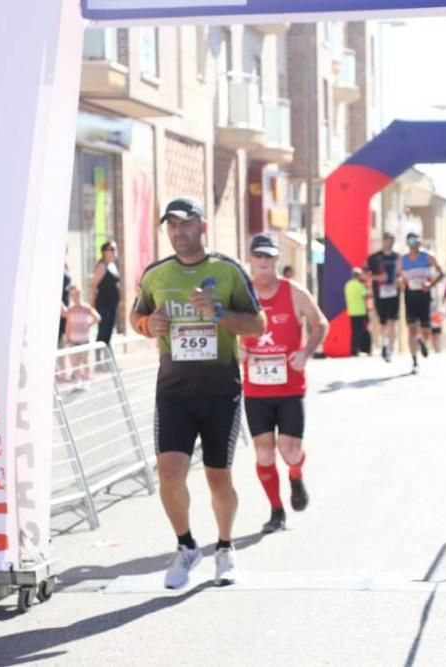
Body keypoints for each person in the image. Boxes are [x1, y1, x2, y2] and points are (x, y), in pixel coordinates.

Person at [130, 197, 264, 589]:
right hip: (173, 390)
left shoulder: (227, 271)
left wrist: (219, 314)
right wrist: (147, 325)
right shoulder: (156, 274)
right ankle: (187, 547)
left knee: (217, 476)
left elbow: (257, 324)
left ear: (202, 226)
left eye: (185, 224)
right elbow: (138, 316)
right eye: (171, 225)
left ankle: (224, 547)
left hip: (221, 389)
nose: (178, 232)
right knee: (170, 475)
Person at [241, 234, 328, 534]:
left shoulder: (294, 292)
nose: (264, 262)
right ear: (251, 259)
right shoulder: (243, 294)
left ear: (277, 260)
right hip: (255, 389)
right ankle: (276, 511)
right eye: (259, 257)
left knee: (289, 451)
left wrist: (306, 352)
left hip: (290, 388)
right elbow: (224, 326)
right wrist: (235, 348)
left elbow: (321, 324)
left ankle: (295, 474)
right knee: (264, 453)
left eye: (269, 257)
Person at [398, 232, 444, 373]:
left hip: (424, 296)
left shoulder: (428, 257)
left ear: (420, 242)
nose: (414, 244)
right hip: (410, 295)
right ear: (407, 243)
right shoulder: (402, 260)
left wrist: (430, 285)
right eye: (411, 242)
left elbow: (441, 273)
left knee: (426, 330)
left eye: (416, 241)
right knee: (411, 328)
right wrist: (401, 284)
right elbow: (398, 278)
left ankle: (422, 341)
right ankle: (414, 361)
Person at [367, 232, 400, 362]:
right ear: (383, 240)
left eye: (392, 240)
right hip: (379, 293)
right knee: (383, 321)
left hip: (394, 293)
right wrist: (378, 278)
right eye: (387, 240)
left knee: (392, 320)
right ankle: (384, 344)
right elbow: (365, 274)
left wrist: (399, 280)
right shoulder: (374, 258)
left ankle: (390, 350)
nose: (390, 242)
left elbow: (401, 273)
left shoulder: (397, 257)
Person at [60, 285, 101, 387]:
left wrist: (88, 324)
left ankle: (87, 380)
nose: (75, 297)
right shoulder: (71, 309)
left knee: (85, 361)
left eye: (77, 294)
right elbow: (68, 324)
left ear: (81, 295)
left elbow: (97, 317)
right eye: (73, 295)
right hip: (73, 341)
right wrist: (68, 338)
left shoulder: (86, 308)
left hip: (84, 340)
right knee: (75, 363)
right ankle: (78, 381)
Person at [90, 240, 121, 350]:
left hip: (112, 306)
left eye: (115, 249)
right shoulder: (102, 266)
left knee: (108, 334)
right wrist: (92, 305)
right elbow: (93, 286)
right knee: (102, 334)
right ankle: (99, 360)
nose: (115, 251)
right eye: (112, 249)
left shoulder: (112, 265)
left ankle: (106, 361)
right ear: (104, 252)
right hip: (103, 306)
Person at [344, 267, 370, 356]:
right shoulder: (359, 285)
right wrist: (367, 286)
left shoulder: (347, 285)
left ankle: (353, 350)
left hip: (351, 311)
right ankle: (359, 349)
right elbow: (367, 294)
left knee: (354, 332)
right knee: (360, 331)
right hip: (360, 311)